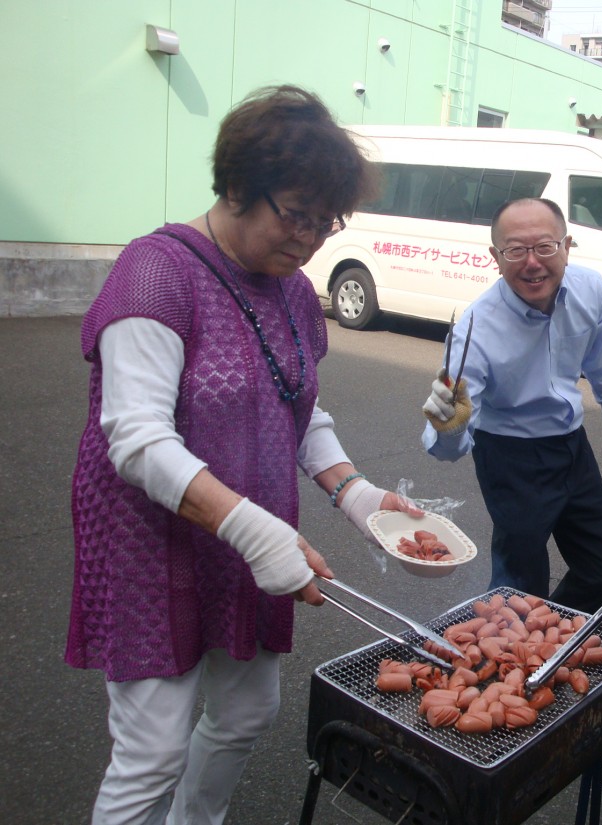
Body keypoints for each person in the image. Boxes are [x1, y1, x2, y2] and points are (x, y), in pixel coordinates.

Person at [66, 85, 422, 825]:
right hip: (153, 545)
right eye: (297, 215)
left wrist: (353, 491)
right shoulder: (156, 274)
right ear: (235, 186)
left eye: (328, 222)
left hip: (247, 544)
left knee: (247, 710)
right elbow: (134, 438)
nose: (311, 239)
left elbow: (294, 403)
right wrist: (259, 529)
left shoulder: (292, 291)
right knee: (152, 748)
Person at [421, 197, 602, 614]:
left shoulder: (591, 289)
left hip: (571, 445)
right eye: (515, 250)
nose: (532, 262)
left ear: (567, 245)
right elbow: (447, 443)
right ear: (495, 256)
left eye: (545, 247)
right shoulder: (476, 328)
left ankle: (550, 644)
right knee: (520, 587)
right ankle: (506, 665)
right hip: (509, 456)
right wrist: (448, 427)